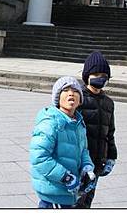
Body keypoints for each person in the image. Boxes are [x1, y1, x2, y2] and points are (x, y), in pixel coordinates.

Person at [30, 76, 95, 208]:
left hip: (70, 194)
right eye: (65, 90)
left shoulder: (78, 123)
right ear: (57, 97)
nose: (71, 93)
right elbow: (39, 157)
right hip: (53, 194)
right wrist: (65, 177)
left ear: (80, 100)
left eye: (75, 91)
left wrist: (87, 167)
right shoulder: (50, 122)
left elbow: (83, 150)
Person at [76, 51, 118, 208]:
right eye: (96, 74)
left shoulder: (108, 103)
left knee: (87, 201)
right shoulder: (78, 98)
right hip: (80, 162)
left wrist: (111, 156)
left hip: (97, 162)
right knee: (75, 202)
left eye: (104, 75)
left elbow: (110, 132)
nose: (100, 78)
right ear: (87, 75)